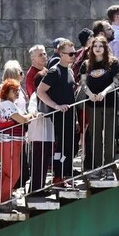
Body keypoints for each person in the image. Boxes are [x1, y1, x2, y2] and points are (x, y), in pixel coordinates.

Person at [36, 41, 77, 188]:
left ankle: (63, 175)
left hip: (69, 115)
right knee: (61, 147)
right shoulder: (55, 71)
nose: (73, 56)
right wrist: (55, 106)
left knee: (69, 146)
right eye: (70, 54)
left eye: (74, 53)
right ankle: (58, 176)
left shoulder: (70, 71)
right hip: (59, 116)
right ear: (61, 54)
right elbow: (40, 91)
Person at [79, 36, 119, 178]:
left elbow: (116, 81)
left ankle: (109, 167)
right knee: (95, 135)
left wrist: (104, 92)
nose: (97, 48)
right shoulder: (86, 64)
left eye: (100, 46)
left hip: (109, 103)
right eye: (95, 46)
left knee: (109, 136)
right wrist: (90, 94)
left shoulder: (113, 62)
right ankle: (97, 167)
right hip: (92, 104)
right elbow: (83, 83)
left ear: (105, 48)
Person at [0, 79, 33, 205]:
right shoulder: (7, 104)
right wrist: (31, 115)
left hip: (11, 142)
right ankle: (2, 201)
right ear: (6, 92)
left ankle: (2, 199)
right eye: (14, 90)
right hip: (8, 141)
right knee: (14, 173)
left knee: (8, 172)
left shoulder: (9, 104)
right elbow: (22, 119)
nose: (17, 93)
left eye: (18, 90)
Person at [24, 71, 53, 195]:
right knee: (38, 162)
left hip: (47, 134)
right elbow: (32, 108)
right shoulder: (36, 95)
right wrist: (37, 114)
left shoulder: (50, 95)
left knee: (44, 162)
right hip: (38, 134)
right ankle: (35, 189)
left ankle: (40, 187)